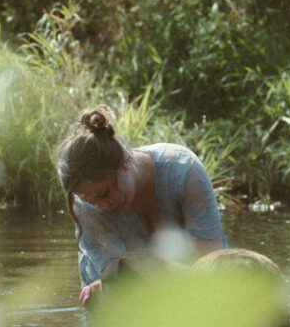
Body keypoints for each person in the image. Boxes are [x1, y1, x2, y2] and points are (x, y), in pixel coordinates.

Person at [54, 106, 226, 303]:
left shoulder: (184, 169)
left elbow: (210, 257)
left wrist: (145, 262)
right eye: (88, 199)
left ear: (124, 163)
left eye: (104, 193)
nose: (101, 206)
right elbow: (117, 283)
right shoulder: (86, 207)